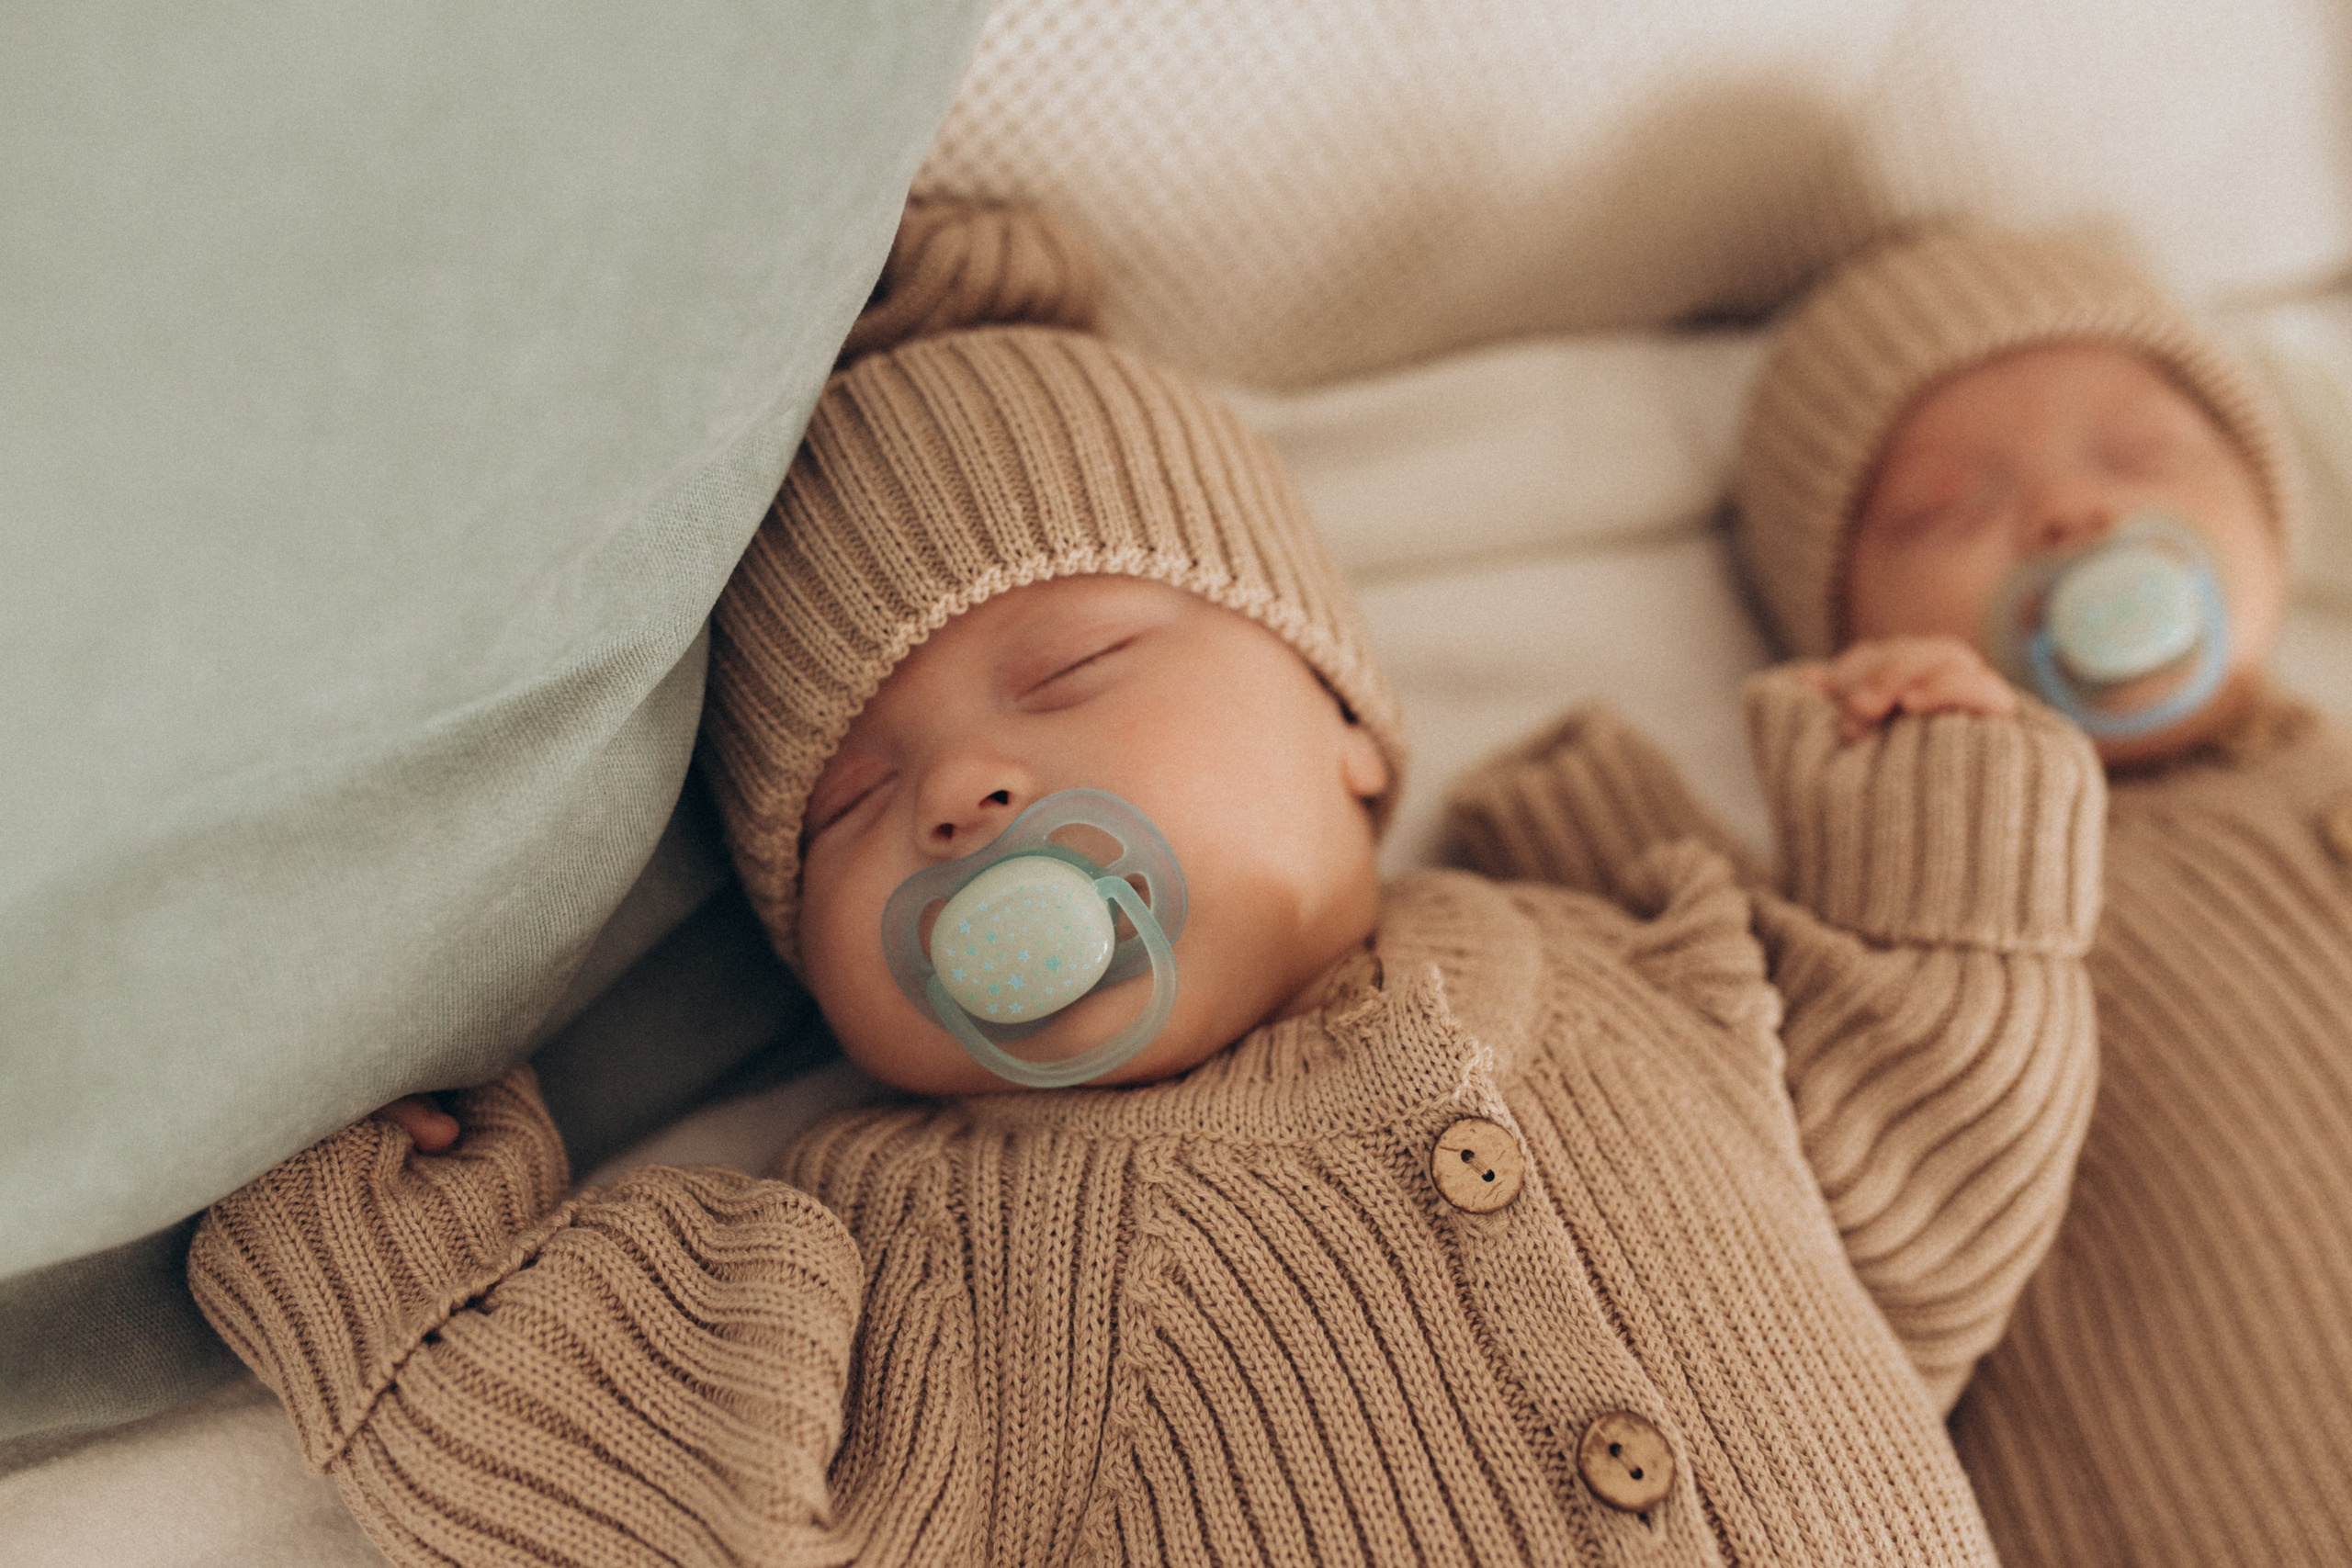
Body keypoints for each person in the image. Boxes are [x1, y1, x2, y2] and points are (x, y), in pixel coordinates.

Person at [188, 203, 2105, 1567]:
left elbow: (1920, 1173)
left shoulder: (1641, 976)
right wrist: (415, 1292)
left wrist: (1943, 841)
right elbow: (673, 1468)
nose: (962, 787)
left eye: (1072, 671)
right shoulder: (941, 1262)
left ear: (1351, 722)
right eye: (848, 800)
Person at [1729, 224, 2352, 1567]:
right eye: (1945, 507)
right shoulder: (1926, 913)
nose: (2076, 515)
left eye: (2140, 456)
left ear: (2268, 508)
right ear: (1849, 637)